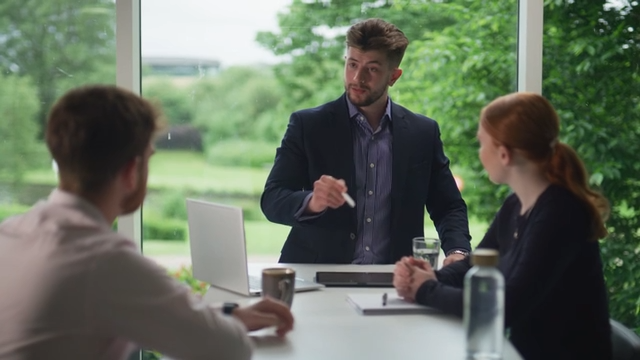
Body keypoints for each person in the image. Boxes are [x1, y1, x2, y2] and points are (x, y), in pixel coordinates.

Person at [0, 85, 294, 360]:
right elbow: (229, 349)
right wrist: (229, 321)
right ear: (132, 170)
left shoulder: (12, 233)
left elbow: (162, 316)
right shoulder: (103, 261)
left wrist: (230, 314)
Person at [394, 92, 612, 359]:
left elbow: (505, 307)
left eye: (482, 144)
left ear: (504, 154)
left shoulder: (561, 212)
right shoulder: (517, 205)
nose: (480, 153)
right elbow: (474, 265)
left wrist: (426, 289)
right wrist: (427, 276)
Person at [261, 18, 471, 265]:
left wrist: (458, 252)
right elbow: (273, 199)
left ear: (394, 76)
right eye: (352, 64)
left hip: (396, 279)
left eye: (371, 69)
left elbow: (448, 206)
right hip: (318, 276)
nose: (357, 78)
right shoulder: (308, 125)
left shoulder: (422, 133)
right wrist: (312, 201)